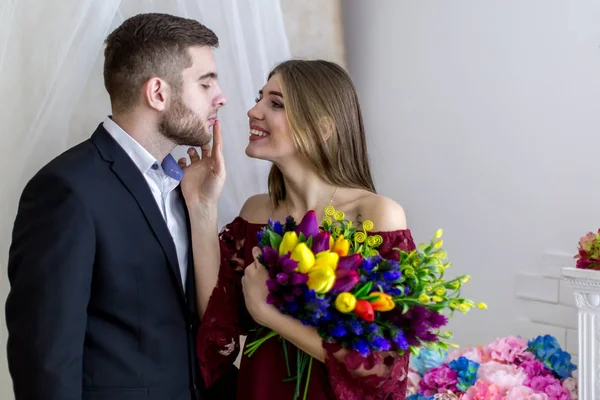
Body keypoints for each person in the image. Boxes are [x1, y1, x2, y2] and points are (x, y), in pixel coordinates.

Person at [5, 13, 227, 400]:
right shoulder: (67, 190)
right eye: (205, 83)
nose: (220, 96)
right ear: (158, 93)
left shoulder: (187, 188)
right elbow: (45, 358)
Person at [180, 60, 414, 400]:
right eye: (260, 98)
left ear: (322, 128)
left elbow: (381, 365)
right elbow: (217, 322)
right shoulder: (255, 212)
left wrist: (267, 313)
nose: (253, 110)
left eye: (275, 103)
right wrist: (202, 208)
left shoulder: (376, 216)